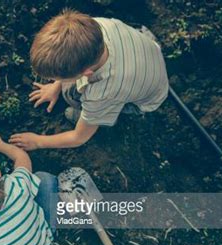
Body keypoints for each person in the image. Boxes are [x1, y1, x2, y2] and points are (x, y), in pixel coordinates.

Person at [10, 9, 168, 150]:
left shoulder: (103, 91)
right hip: (149, 55)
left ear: (86, 72)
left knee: (70, 94)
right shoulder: (97, 26)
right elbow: (73, 55)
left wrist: (38, 141)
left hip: (145, 101)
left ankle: (101, 117)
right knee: (67, 87)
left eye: (55, 78)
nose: (53, 80)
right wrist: (55, 86)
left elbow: (79, 137)